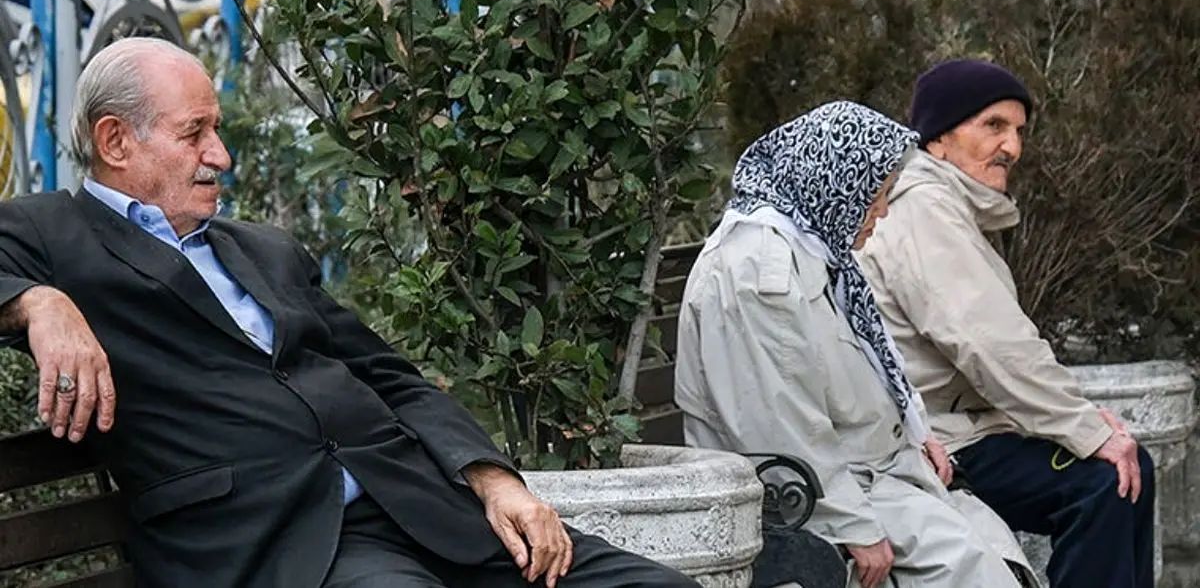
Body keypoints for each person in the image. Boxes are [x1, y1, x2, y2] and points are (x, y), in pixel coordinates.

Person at [0, 38, 697, 588]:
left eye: (217, 129)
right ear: (116, 141)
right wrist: (40, 301)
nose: (222, 155)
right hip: (280, 543)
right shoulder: (57, 234)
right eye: (195, 133)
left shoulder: (265, 250)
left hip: (425, 509)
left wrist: (496, 480)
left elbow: (392, 379)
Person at [674, 101, 1025, 588]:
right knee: (976, 568)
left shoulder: (809, 245)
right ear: (835, 185)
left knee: (997, 551)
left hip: (866, 472)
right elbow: (778, 422)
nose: (882, 212)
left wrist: (917, 432)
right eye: (876, 195)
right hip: (819, 493)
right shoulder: (758, 272)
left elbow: (864, 367)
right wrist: (852, 524)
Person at [858, 59, 1155, 588]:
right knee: (1104, 480)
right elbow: (991, 344)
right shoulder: (926, 210)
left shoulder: (947, 205)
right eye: (993, 125)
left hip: (965, 430)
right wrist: (1086, 430)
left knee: (1124, 473)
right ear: (937, 139)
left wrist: (1085, 422)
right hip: (937, 443)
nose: (1012, 147)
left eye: (1019, 131)